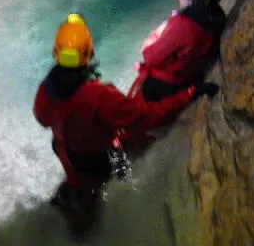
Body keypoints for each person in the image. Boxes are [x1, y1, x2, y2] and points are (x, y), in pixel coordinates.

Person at [32, 13, 218, 233]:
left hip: (67, 152)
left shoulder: (47, 89)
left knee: (81, 190)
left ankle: (70, 212)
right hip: (99, 158)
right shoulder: (98, 95)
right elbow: (143, 117)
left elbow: (43, 118)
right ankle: (95, 221)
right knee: (142, 151)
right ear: (88, 53)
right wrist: (188, 94)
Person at [128, 0, 226, 103]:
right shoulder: (216, 13)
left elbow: (149, 55)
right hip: (191, 75)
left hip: (168, 85)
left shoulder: (183, 27)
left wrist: (162, 30)